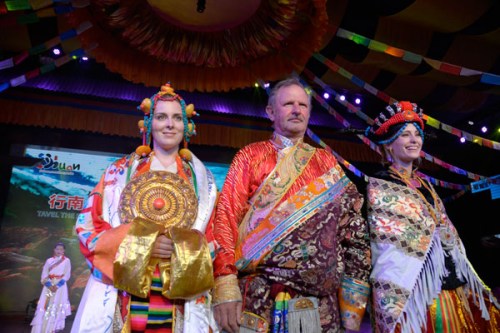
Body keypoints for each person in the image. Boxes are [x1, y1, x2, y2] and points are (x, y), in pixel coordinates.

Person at [210, 77, 371, 333]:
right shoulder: (250, 156)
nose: (297, 110)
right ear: (271, 112)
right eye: (288, 104)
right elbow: (225, 220)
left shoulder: (327, 163)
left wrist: (353, 304)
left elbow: (353, 232)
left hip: (320, 304)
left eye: (303, 105)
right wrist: (225, 285)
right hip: (258, 297)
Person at [71, 83, 218, 332]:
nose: (169, 124)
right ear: (148, 123)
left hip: (181, 296)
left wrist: (180, 248)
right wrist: (143, 244)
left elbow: (216, 237)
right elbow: (88, 227)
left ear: (187, 125)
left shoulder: (204, 181)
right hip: (124, 293)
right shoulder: (117, 173)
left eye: (177, 118)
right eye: (161, 117)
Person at [365, 101, 500, 332]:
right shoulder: (381, 184)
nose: (414, 140)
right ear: (388, 145)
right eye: (405, 135)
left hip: (447, 281)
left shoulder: (425, 184)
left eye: (417, 134)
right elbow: (387, 242)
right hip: (414, 290)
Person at [31, 242, 72, 333]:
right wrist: (50, 285)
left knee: (57, 304)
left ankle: (53, 327)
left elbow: (67, 275)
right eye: (57, 249)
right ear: (54, 250)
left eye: (61, 249)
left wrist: (57, 286)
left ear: (64, 251)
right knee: (46, 305)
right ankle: (43, 328)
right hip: (49, 286)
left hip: (60, 287)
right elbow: (44, 274)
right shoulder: (49, 260)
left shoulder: (66, 261)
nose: (59, 251)